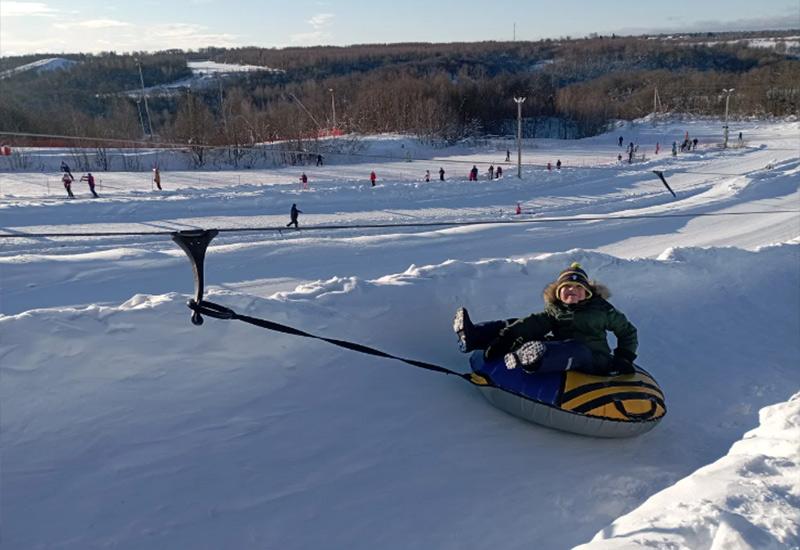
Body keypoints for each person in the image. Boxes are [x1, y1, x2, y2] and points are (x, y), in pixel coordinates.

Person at [452, 263, 638, 376]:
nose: (571, 289)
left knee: (576, 349)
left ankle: (530, 359)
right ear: (558, 293)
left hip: (594, 359)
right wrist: (507, 336)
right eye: (566, 287)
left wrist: (624, 357)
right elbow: (531, 324)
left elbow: (627, 332)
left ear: (587, 293)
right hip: (561, 347)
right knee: (518, 323)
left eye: (577, 287)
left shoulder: (602, 310)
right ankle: (474, 336)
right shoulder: (555, 311)